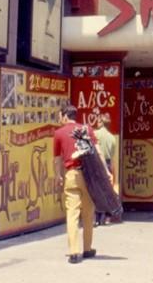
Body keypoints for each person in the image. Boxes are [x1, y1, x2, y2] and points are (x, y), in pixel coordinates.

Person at [53, 105, 110, 264]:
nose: (59, 119)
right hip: (88, 175)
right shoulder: (87, 130)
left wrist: (58, 175)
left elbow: (57, 159)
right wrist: (106, 170)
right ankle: (87, 248)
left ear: (65, 116)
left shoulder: (59, 133)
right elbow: (98, 152)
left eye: (60, 116)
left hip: (71, 175)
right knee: (88, 212)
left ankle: (73, 251)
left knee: (72, 213)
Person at [94, 113, 117, 226]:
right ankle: (107, 217)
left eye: (98, 121)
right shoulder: (112, 138)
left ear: (102, 123)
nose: (96, 123)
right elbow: (111, 157)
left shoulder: (95, 134)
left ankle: (97, 218)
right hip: (107, 164)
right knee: (106, 191)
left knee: (95, 191)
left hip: (96, 163)